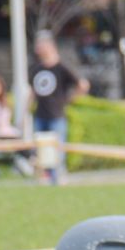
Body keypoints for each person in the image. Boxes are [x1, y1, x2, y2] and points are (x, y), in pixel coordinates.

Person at [30, 31, 89, 185]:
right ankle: (45, 177)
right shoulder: (37, 68)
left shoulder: (62, 67)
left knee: (57, 150)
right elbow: (32, 92)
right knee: (42, 150)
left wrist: (70, 99)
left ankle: (58, 177)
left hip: (56, 114)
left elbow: (82, 85)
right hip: (40, 113)